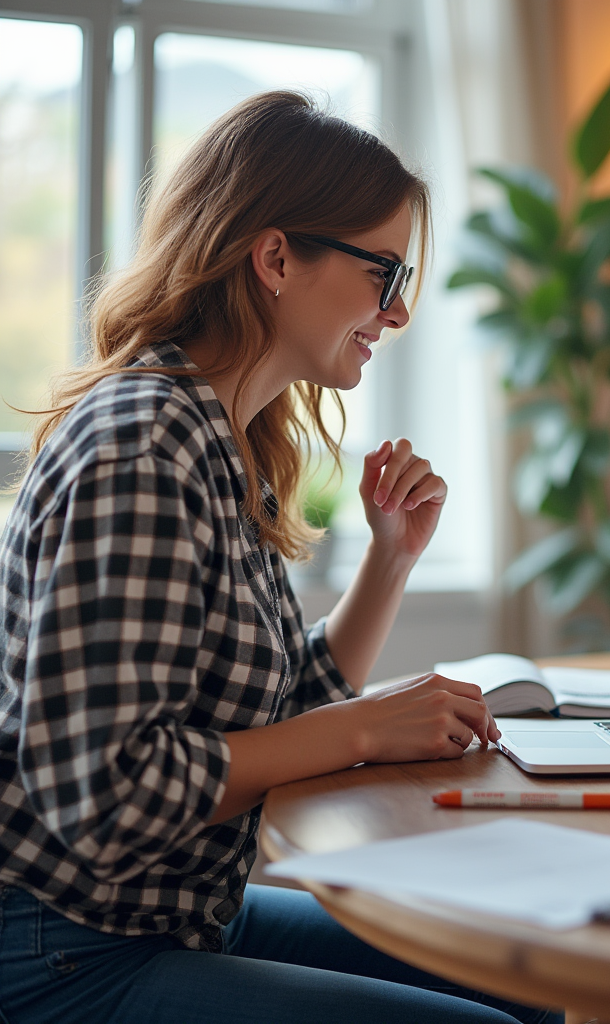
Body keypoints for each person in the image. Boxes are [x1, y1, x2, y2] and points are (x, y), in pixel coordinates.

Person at [0, 91, 559, 1024]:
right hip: (70, 949)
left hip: (176, 920)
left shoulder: (219, 436)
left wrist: (391, 561)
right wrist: (369, 727)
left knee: (528, 985)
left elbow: (271, 712)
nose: (400, 309)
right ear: (274, 257)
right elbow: (106, 801)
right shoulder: (144, 449)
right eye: (384, 272)